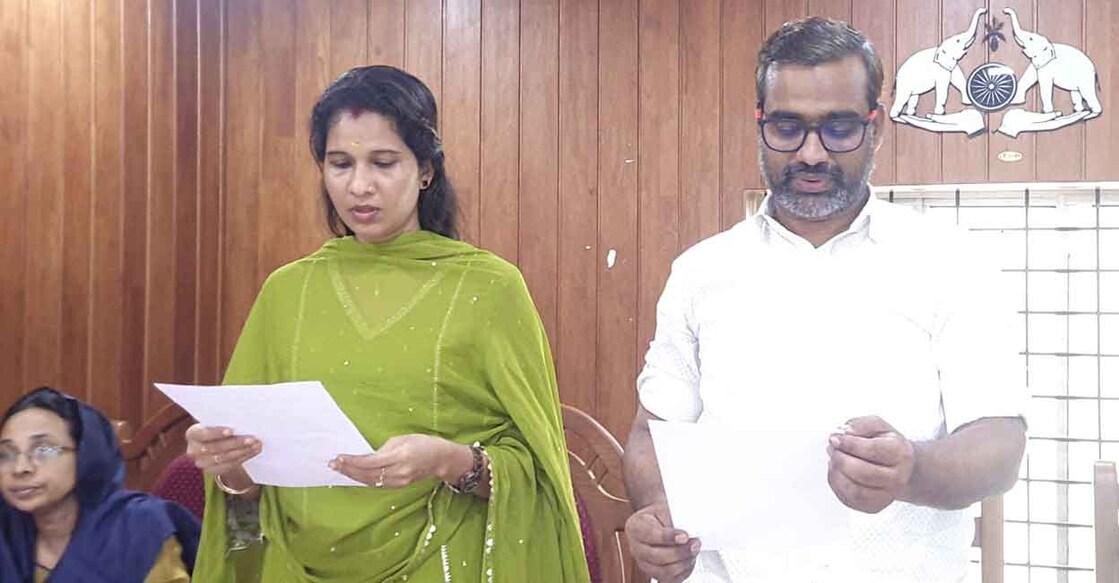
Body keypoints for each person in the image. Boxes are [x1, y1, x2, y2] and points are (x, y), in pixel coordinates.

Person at [622, 17, 1028, 583]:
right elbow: (652, 433)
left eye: (838, 128)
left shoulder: (951, 262)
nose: (811, 153)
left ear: (875, 127)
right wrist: (657, 514)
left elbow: (1000, 445)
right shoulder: (700, 272)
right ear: (760, 123)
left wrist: (912, 469)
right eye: (787, 127)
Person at [185, 65, 590, 582]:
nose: (360, 186)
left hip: (442, 560)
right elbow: (247, 501)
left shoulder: (490, 288)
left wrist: (449, 461)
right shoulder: (287, 292)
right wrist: (231, 470)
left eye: (383, 162)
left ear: (426, 170)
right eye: (340, 164)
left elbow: (539, 473)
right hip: (294, 563)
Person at [0, 387, 201, 582]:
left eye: (43, 450)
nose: (20, 468)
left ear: (87, 454)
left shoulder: (139, 528)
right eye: (5, 454)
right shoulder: (6, 531)